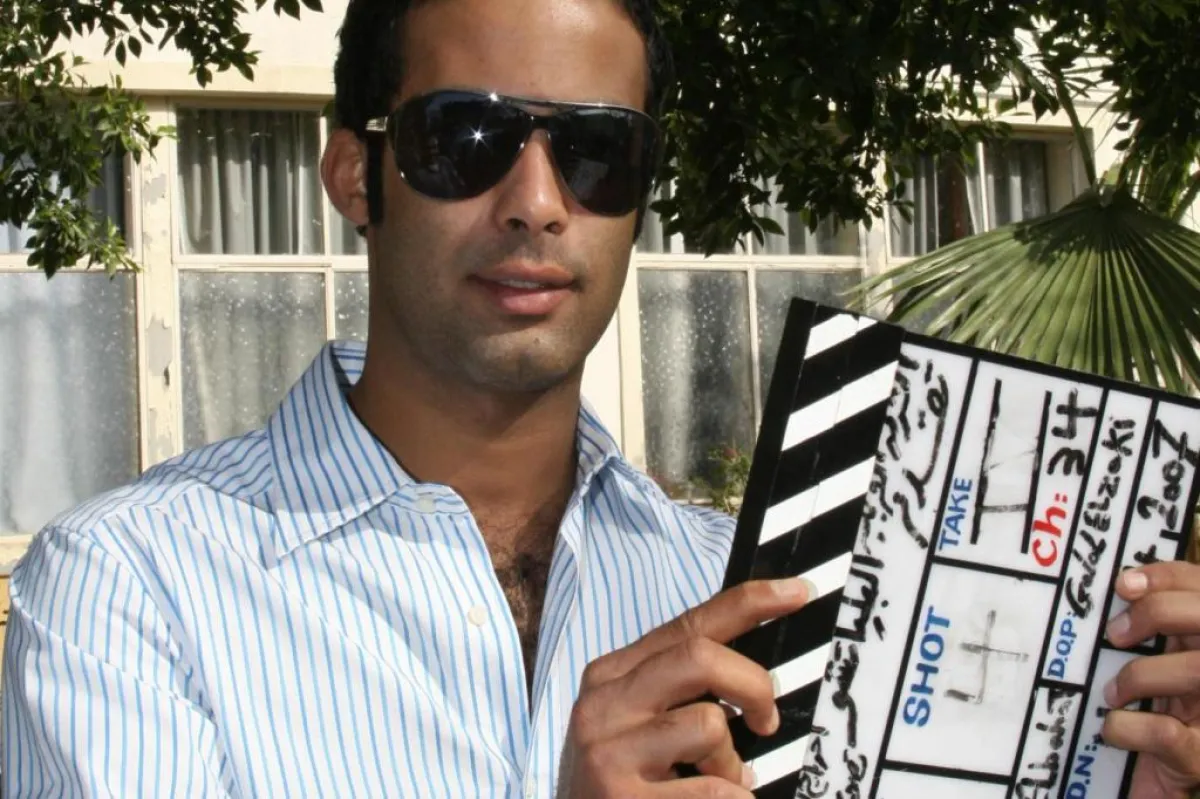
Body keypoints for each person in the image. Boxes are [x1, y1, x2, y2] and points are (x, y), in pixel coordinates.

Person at [3, 0, 1200, 796]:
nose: (536, 202)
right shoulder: (130, 590)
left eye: (595, 151)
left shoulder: (756, 590)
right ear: (358, 174)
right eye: (467, 137)